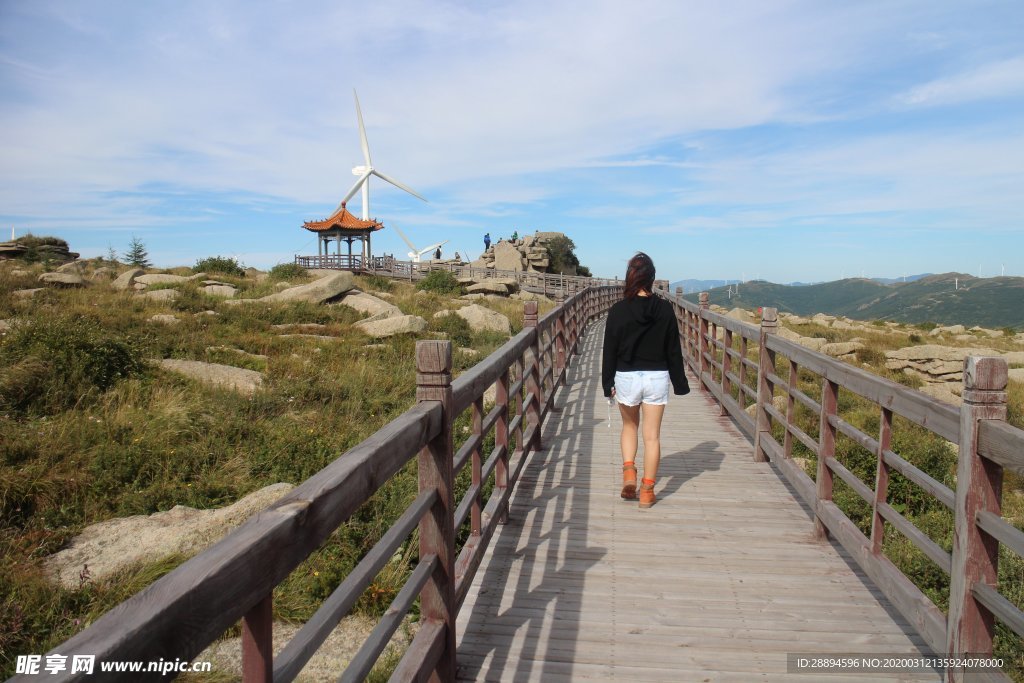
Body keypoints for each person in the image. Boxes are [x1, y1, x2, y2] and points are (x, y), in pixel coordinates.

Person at [602, 252, 689, 508]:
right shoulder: (664, 309)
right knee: (652, 437)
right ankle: (648, 491)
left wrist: (607, 383)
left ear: (630, 277)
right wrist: (680, 383)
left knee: (629, 427)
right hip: (656, 377)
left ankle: (629, 472)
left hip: (627, 377)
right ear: (651, 279)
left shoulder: (618, 310)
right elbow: (673, 349)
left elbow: (610, 349)